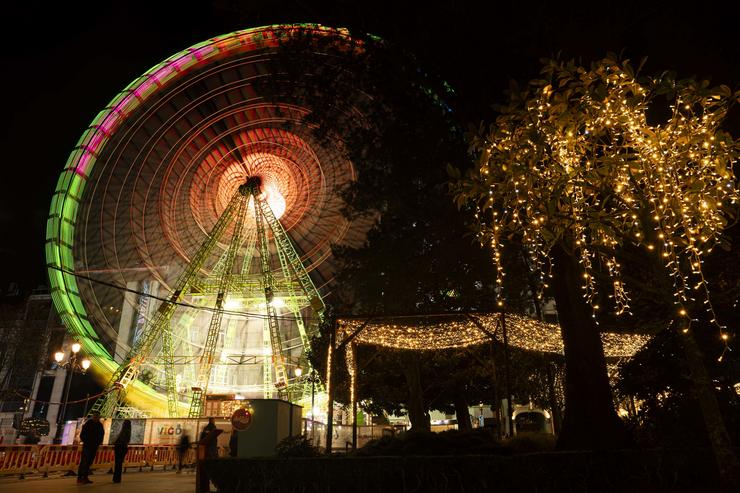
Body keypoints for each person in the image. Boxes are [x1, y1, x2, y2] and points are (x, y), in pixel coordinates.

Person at [77, 411, 104, 484]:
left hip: (94, 446)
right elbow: (83, 434)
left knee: (89, 462)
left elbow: (101, 435)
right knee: (84, 462)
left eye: (97, 416)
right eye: (95, 416)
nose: (96, 417)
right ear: (93, 416)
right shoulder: (89, 424)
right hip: (88, 446)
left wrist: (98, 442)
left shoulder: (99, 425)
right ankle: (80, 478)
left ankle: (85, 477)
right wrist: (86, 441)